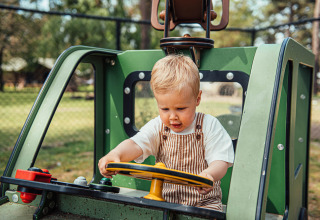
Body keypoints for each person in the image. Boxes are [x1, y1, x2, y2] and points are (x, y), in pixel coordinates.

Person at [98, 54, 234, 211]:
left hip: (204, 204)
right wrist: (116, 154)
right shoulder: (158, 127)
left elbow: (220, 161)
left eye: (181, 108)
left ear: (197, 99)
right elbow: (136, 145)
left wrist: (209, 175)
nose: (173, 116)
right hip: (164, 203)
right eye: (165, 109)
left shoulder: (209, 125)